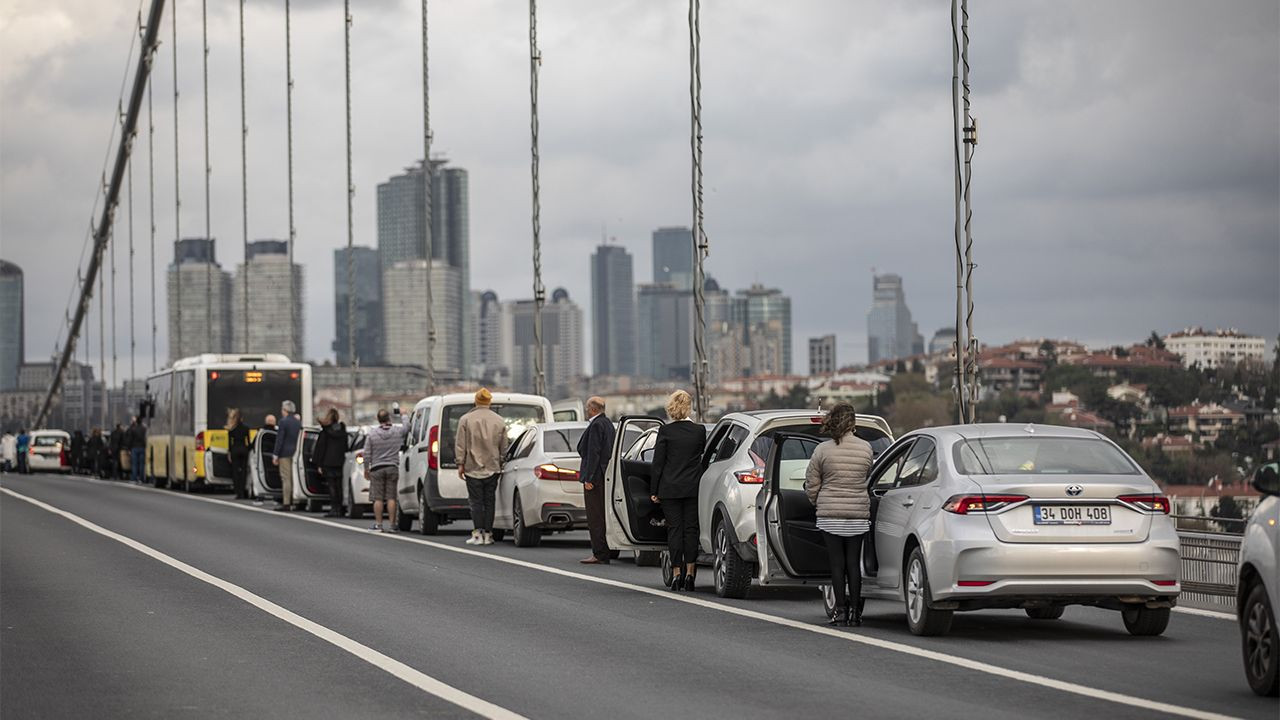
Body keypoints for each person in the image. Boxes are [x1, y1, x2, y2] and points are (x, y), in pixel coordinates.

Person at [804, 403, 874, 627]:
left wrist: (818, 502)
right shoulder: (866, 448)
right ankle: (856, 613)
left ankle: (841, 611)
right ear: (853, 422)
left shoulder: (822, 450)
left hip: (830, 514)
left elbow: (812, 483)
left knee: (837, 565)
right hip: (857, 514)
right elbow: (868, 477)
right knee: (853, 564)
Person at [650, 390, 707, 591]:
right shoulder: (699, 431)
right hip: (692, 487)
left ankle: (676, 574)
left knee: (674, 530)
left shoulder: (665, 432)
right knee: (691, 530)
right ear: (689, 407)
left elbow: (658, 464)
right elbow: (701, 456)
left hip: (670, 488)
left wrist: (654, 490)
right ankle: (690, 574)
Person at [456, 388, 510, 546]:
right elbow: (504, 446)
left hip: (472, 467)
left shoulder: (465, 419)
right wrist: (501, 461)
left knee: (476, 502)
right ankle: (488, 534)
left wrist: (460, 464)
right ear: (489, 402)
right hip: (493, 467)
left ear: (476, 401)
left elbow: (461, 445)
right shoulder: (499, 420)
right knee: (490, 501)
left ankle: (477, 533)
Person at [576, 396, 616, 564]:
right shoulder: (608, 424)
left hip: (596, 477)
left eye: (587, 408)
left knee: (595, 516)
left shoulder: (596, 425)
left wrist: (589, 478)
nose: (586, 411)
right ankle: (608, 549)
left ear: (592, 409)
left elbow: (594, 453)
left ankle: (599, 553)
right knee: (605, 515)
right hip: (605, 475)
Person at [363, 406, 408, 532]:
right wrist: (403, 415)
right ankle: (392, 525)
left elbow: (367, 453)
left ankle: (379, 525)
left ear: (378, 420)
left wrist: (366, 468)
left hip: (377, 468)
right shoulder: (396, 431)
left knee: (377, 498)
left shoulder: (372, 434)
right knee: (391, 497)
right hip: (392, 467)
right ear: (389, 418)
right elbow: (407, 427)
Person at [312, 408, 348, 518]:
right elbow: (346, 446)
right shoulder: (343, 431)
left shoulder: (325, 432)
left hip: (328, 462)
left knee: (331, 486)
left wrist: (318, 464)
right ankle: (340, 509)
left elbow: (321, 448)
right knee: (339, 486)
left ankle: (334, 508)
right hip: (340, 461)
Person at [272, 400, 302, 511]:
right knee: (295, 477)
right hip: (296, 453)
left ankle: (286, 502)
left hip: (284, 453)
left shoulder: (283, 422)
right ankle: (296, 501)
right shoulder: (298, 422)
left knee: (286, 478)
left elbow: (280, 439)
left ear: (285, 410)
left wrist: (275, 454)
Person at [227, 408, 251, 499]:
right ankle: (243, 491)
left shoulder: (232, 429)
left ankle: (238, 492)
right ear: (242, 418)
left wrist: (229, 452)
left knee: (235, 472)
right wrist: (248, 449)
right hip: (244, 450)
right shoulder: (246, 428)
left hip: (235, 450)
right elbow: (248, 441)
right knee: (244, 471)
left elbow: (230, 443)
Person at [127, 417, 147, 484]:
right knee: (142, 464)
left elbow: (130, 440)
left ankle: (134, 478)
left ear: (136, 422)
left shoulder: (133, 429)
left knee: (134, 464)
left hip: (134, 448)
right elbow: (145, 438)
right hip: (142, 447)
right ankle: (141, 479)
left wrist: (129, 449)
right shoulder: (144, 429)